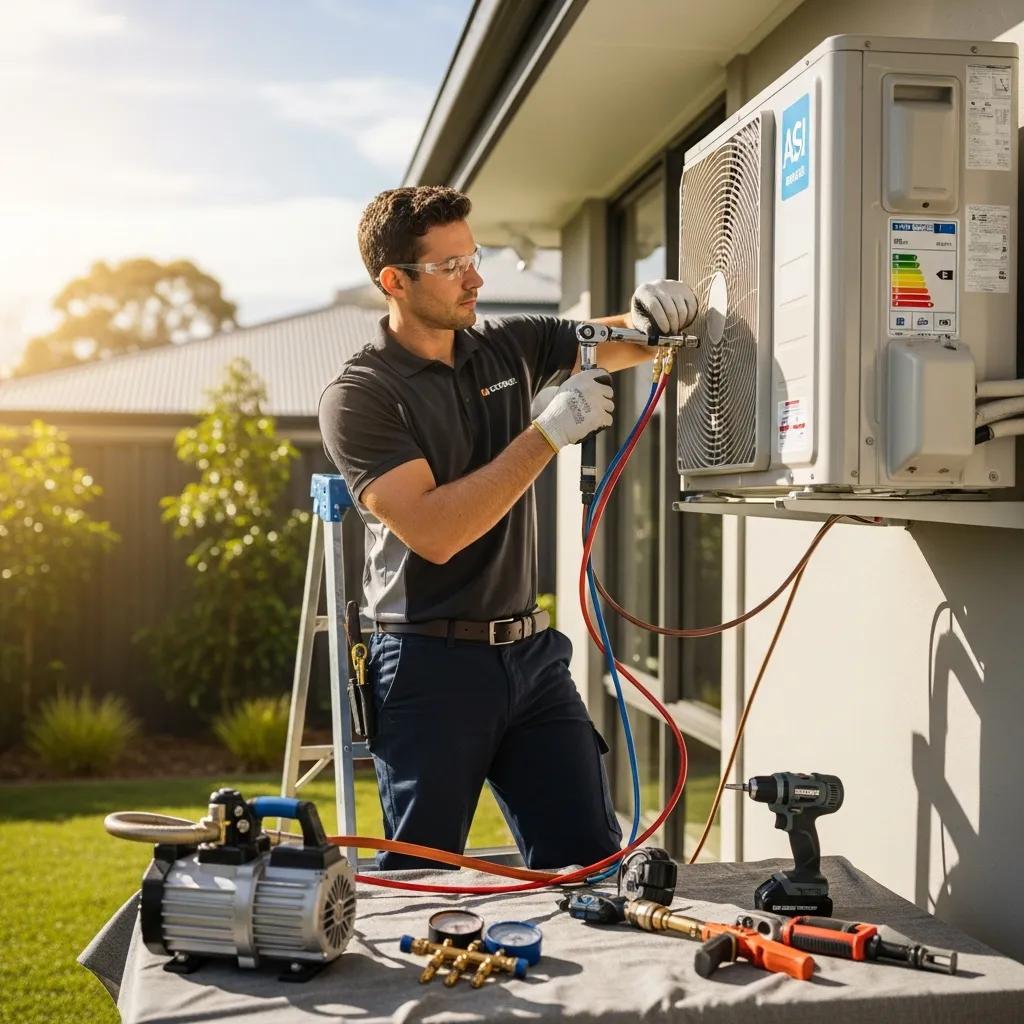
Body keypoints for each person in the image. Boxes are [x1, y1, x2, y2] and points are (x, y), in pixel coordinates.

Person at [318, 185, 696, 870]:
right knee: (428, 881)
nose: (477, 278)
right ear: (393, 282)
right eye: (451, 266)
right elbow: (435, 531)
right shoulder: (360, 396)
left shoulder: (509, 347)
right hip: (428, 667)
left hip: (532, 660)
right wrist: (546, 435)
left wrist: (657, 313)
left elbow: (625, 341)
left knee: (588, 868)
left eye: (474, 256)